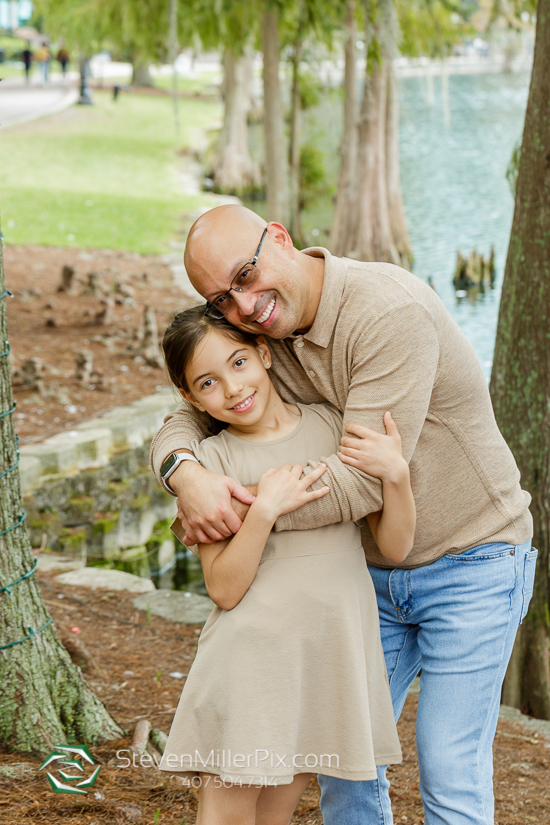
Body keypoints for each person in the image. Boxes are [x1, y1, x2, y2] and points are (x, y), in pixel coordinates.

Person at [150, 204, 536, 825]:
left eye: (245, 276)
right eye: (221, 299)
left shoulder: (386, 314)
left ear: (279, 237)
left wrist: (237, 509)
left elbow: (360, 483)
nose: (243, 306)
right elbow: (191, 411)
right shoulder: (262, 334)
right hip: (364, 579)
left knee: (449, 772)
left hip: (472, 561)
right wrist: (186, 475)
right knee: (344, 771)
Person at [157, 305, 413, 824]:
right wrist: (264, 511)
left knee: (275, 817)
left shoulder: (332, 426)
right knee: (226, 814)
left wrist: (397, 477)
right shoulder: (212, 465)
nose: (232, 388)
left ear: (265, 354)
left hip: (324, 656)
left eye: (238, 363)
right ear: (189, 397)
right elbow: (224, 590)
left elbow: (394, 546)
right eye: (208, 382)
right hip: (251, 662)